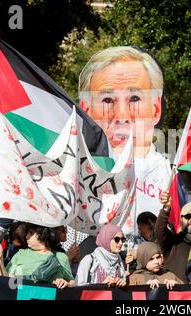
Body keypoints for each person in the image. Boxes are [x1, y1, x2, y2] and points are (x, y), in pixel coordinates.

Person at [79, 46, 171, 216]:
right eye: (107, 100)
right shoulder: (69, 178)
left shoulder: (176, 179)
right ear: (86, 112)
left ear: (156, 109)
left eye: (135, 98)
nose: (122, 116)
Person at [0, 223, 75, 289]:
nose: (26, 236)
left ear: (41, 233)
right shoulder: (21, 254)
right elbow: (5, 281)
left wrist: (66, 283)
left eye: (31, 233)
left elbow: (72, 282)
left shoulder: (61, 257)